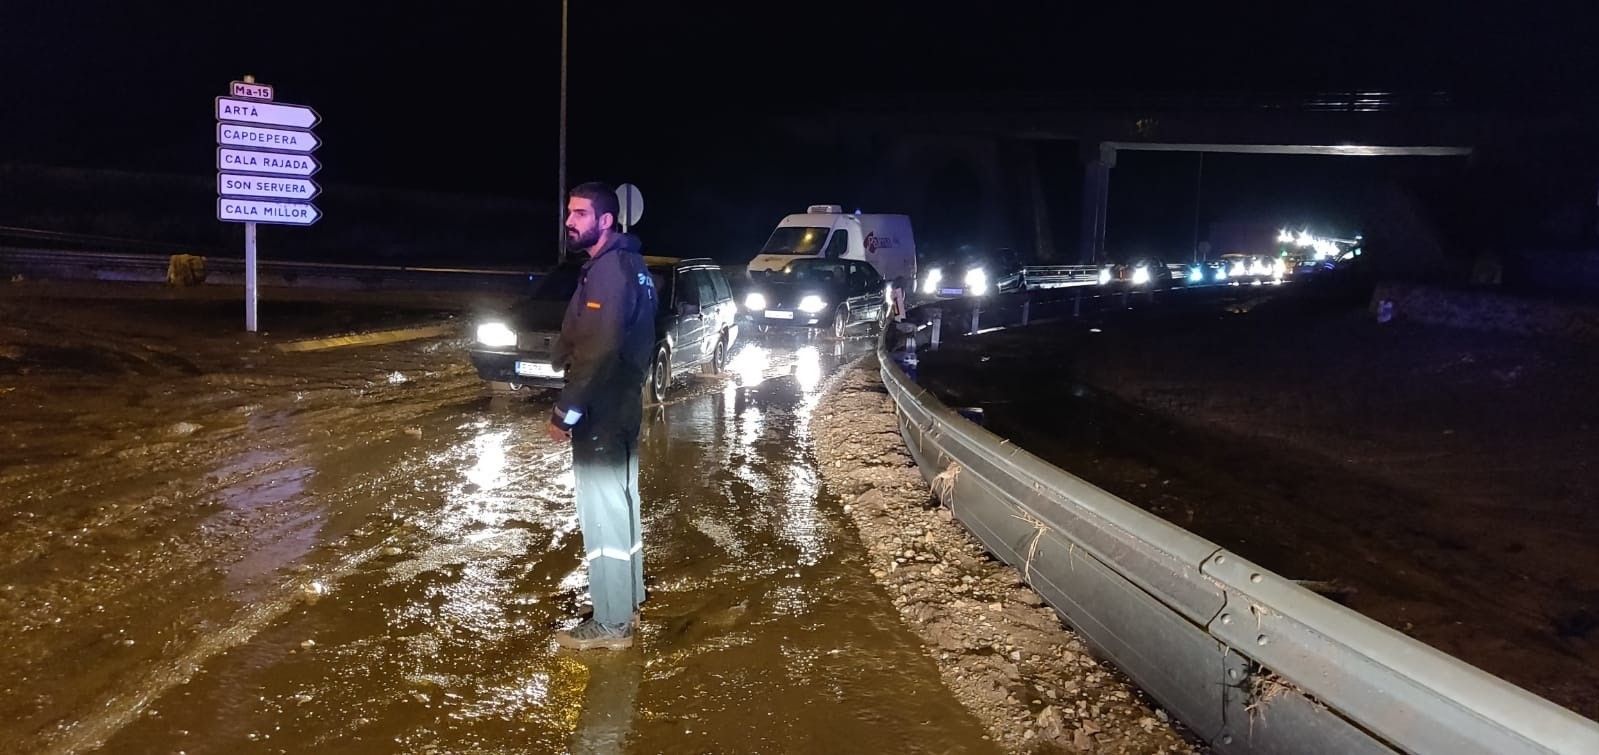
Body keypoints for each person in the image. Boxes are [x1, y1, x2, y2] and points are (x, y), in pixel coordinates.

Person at [547, 181, 657, 650]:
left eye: (578, 214)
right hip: (623, 401)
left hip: (602, 406)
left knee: (602, 511)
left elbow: (598, 347)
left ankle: (611, 625)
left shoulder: (610, 271)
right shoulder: (632, 266)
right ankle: (628, 600)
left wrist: (565, 411)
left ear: (604, 221)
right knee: (622, 501)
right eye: (569, 213)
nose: (569, 222)